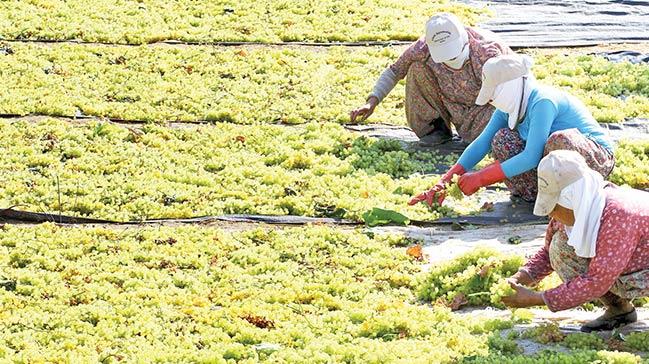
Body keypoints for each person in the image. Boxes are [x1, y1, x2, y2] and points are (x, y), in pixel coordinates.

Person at [408, 54, 614, 207]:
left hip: (594, 159)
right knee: (502, 139)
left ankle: (574, 196)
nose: (491, 99)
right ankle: (540, 194)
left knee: (558, 142)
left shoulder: (543, 101)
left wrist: (481, 178)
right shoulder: (506, 110)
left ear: (509, 87)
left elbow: (532, 156)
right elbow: (481, 144)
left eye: (493, 93)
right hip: (553, 165)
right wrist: (444, 182)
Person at [501, 150, 649, 332]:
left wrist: (538, 298)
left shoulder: (619, 216)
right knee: (560, 246)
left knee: (595, 274)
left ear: (572, 197)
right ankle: (620, 310)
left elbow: (597, 280)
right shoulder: (581, 208)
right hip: (629, 268)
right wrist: (520, 278)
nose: (550, 213)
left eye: (554, 206)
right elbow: (548, 254)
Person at [349, 13, 512, 144]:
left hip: (486, 110)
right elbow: (395, 71)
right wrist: (372, 101)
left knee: (495, 135)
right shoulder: (422, 48)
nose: (451, 61)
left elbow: (517, 92)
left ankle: (486, 139)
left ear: (463, 39)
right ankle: (435, 130)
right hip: (453, 105)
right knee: (416, 68)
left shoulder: (487, 50)